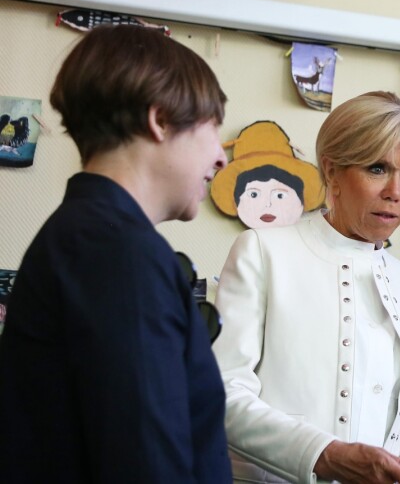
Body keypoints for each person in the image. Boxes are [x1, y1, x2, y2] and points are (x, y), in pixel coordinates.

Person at [0, 25, 232, 483]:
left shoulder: (85, 236)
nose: (221, 156)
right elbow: (146, 463)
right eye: (212, 129)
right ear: (160, 119)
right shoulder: (119, 254)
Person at [213, 91, 400, 484]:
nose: (395, 192)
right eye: (376, 168)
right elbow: (224, 393)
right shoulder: (263, 250)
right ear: (332, 170)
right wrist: (326, 455)